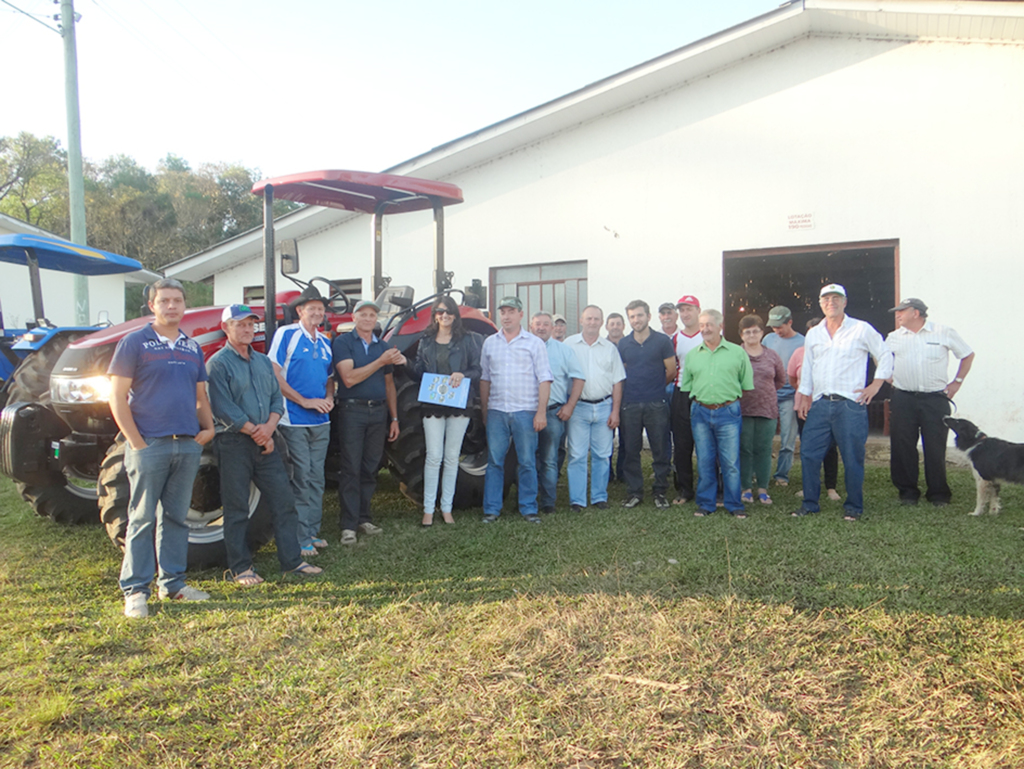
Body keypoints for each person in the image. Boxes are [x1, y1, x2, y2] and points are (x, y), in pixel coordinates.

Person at [109, 278, 216, 618]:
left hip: (186, 444)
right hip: (149, 444)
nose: (172, 306)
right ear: (152, 305)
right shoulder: (134, 342)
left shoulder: (191, 347)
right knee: (140, 518)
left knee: (175, 518)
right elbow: (116, 397)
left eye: (177, 301)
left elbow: (200, 396)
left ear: (185, 306)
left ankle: (173, 584)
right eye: (165, 301)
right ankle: (136, 590)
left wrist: (209, 427)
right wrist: (135, 441)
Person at [207, 305, 322, 585]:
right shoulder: (217, 364)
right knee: (236, 508)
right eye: (240, 325)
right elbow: (223, 407)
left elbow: (274, 399)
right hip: (234, 442)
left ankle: (292, 562)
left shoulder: (261, 362)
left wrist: (268, 430)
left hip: (266, 441)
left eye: (251, 325)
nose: (247, 330)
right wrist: (254, 431)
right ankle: (241, 568)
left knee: (283, 501)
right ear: (226, 328)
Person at [793, 284, 893, 521]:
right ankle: (809, 504)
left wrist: (876, 385)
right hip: (819, 402)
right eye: (826, 298)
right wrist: (805, 395)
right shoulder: (814, 333)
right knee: (808, 454)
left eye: (836, 298)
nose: (831, 302)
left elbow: (885, 354)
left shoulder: (861, 329)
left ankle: (854, 507)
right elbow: (808, 367)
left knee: (852, 457)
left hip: (850, 403)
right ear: (820, 303)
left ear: (845, 302)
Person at [885, 297, 974, 506]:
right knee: (903, 445)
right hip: (903, 397)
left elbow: (967, 355)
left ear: (916, 313)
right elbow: (881, 358)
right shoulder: (894, 337)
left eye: (901, 311)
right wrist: (889, 375)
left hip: (935, 399)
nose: (897, 315)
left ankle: (938, 493)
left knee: (935, 446)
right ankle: (907, 492)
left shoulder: (943, 332)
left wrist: (957, 382)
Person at [333, 299, 406, 544]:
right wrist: (381, 361)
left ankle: (364, 517)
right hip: (352, 411)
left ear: (377, 320)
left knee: (370, 467)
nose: (367, 319)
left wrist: (394, 418)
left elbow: (389, 385)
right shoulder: (344, 343)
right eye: (362, 314)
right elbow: (349, 378)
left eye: (372, 315)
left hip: (378, 413)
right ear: (354, 318)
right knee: (351, 467)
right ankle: (348, 525)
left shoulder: (381, 346)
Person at [268, 286, 334, 558]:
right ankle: (300, 537)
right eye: (312, 308)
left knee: (317, 478)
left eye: (320, 309)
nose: (317, 313)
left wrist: (329, 398)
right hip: (294, 420)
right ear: (300, 311)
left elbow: (330, 378)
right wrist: (304, 401)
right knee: (301, 477)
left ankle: (311, 531)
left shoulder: (326, 341)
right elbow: (274, 373)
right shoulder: (287, 334)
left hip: (322, 420)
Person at [406, 295, 483, 526]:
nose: (444, 315)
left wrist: (463, 374)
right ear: (434, 315)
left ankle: (447, 508)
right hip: (433, 404)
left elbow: (477, 370)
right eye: (440, 312)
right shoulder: (426, 340)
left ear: (455, 315)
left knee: (451, 457)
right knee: (433, 457)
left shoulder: (468, 339)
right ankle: (429, 509)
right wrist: (404, 364)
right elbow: (419, 372)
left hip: (459, 403)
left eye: (448, 311)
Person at [480, 296, 553, 523]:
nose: (506, 316)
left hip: (525, 411)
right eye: (503, 312)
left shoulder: (534, 343)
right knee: (494, 462)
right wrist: (485, 410)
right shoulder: (490, 343)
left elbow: (544, 379)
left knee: (527, 461)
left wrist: (541, 412)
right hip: (497, 411)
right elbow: (485, 379)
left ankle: (528, 508)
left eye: (511, 311)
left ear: (521, 314)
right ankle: (492, 509)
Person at [681, 309, 754, 518]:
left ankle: (734, 504)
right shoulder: (693, 355)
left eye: (709, 324)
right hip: (700, 412)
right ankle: (706, 503)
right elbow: (687, 386)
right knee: (704, 459)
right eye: (702, 325)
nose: (705, 329)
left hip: (728, 412)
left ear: (720, 326)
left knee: (730, 462)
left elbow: (746, 385)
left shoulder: (737, 353)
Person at [565, 305, 625, 510]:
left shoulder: (610, 348)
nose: (592, 322)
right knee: (577, 455)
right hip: (578, 407)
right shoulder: (569, 344)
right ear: (581, 320)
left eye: (596, 319)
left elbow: (618, 381)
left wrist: (615, 411)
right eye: (588, 318)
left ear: (601, 323)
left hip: (604, 406)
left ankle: (600, 497)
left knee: (602, 454)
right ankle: (577, 500)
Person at [618, 300, 677, 509]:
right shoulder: (623, 344)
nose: (636, 320)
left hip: (656, 403)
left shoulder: (662, 341)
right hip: (630, 404)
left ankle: (660, 491)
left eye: (640, 315)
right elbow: (621, 374)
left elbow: (671, 371)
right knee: (631, 450)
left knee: (660, 449)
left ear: (649, 316)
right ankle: (635, 492)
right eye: (632, 316)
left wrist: (655, 387)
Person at [530, 312, 585, 512]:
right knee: (526, 459)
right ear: (531, 326)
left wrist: (570, 406)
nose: (542, 327)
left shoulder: (564, 351)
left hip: (553, 413)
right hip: (525, 413)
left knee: (549, 460)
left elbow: (578, 378)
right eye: (538, 324)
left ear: (552, 328)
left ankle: (547, 503)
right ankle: (528, 500)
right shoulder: (521, 348)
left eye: (546, 324)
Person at [788, 318, 841, 502]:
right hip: (803, 406)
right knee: (808, 447)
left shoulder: (834, 350)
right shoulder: (799, 353)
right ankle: (809, 486)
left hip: (827, 405)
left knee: (830, 448)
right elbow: (793, 379)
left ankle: (831, 487)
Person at [738, 315, 786, 505]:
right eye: (747, 331)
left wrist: (764, 393)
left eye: (755, 330)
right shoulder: (736, 353)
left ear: (762, 333)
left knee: (764, 449)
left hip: (767, 409)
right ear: (741, 335)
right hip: (742, 409)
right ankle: (746, 489)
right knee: (745, 449)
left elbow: (780, 380)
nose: (752, 335)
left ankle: (763, 489)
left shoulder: (772, 355)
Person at [762, 305, 804, 487]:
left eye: (780, 326)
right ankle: (760, 472)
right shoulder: (768, 339)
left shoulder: (803, 342)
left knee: (787, 437)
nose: (776, 330)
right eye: (773, 326)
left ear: (790, 322)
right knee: (763, 437)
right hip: (768, 394)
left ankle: (782, 475)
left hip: (790, 395)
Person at [670, 295, 702, 504]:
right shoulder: (675, 338)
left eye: (689, 309)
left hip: (705, 394)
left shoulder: (709, 334)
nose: (685, 314)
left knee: (708, 443)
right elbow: (671, 366)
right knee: (682, 444)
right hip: (682, 393)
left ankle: (713, 487)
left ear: (698, 311)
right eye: (682, 310)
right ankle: (684, 489)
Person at [604, 311, 627, 482]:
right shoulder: (601, 346)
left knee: (626, 437)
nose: (615, 327)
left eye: (618, 323)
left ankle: (623, 471)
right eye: (612, 324)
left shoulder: (630, 344)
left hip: (628, 396)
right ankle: (608, 472)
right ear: (606, 327)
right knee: (606, 438)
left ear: (623, 326)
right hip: (606, 398)